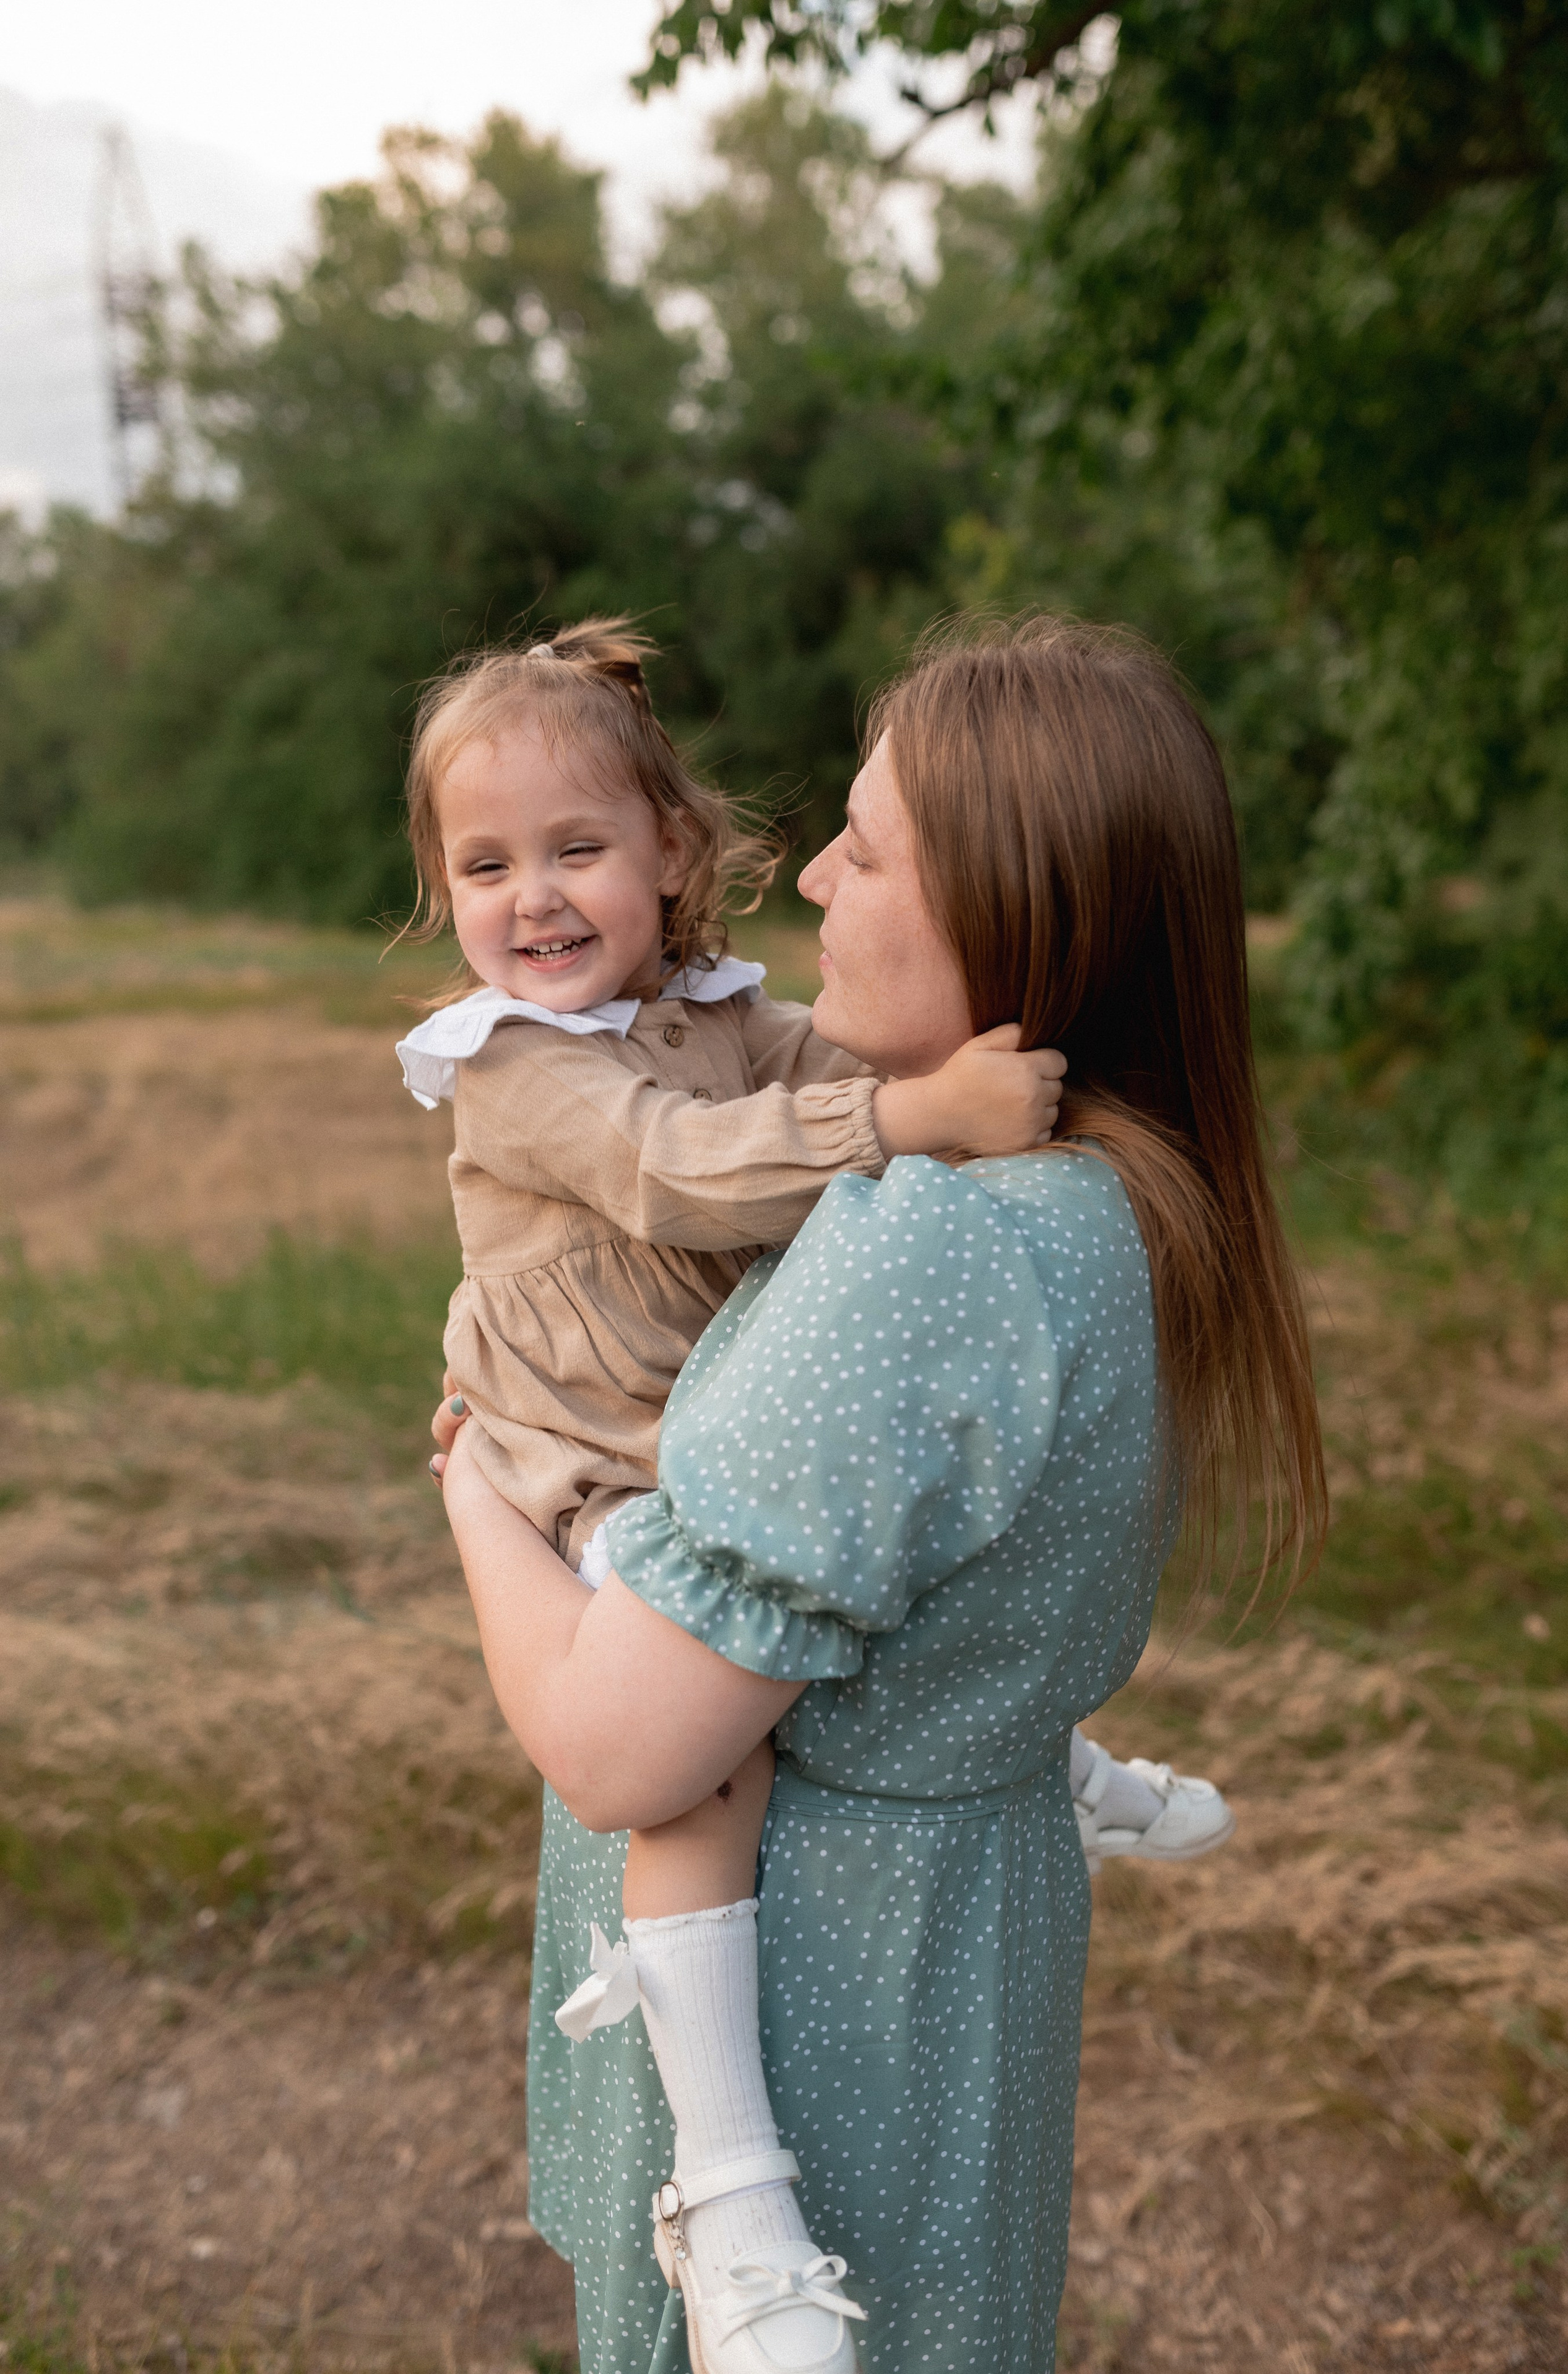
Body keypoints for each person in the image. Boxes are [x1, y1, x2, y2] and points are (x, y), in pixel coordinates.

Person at [418, 618, 1274, 2372]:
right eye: (486, 862)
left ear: (1015, 900)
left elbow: (623, 1746)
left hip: (831, 1987)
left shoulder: (929, 1243)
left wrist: (469, 1503)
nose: (807, 868)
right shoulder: (1110, 1191)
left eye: (864, 846)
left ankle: (729, 2196)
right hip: (960, 1929)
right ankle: (1064, 1761)